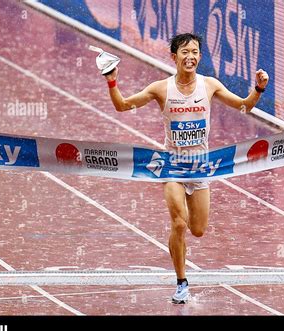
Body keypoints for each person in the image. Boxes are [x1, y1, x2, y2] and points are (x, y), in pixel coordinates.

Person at [104, 33, 269, 304]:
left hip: (201, 169)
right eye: (184, 52)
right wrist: (111, 79)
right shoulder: (161, 89)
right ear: (174, 57)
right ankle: (181, 281)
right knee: (178, 223)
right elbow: (122, 105)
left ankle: (178, 254)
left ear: (200, 57)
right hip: (172, 167)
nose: (190, 57)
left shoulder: (210, 85)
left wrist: (258, 88)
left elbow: (244, 106)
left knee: (198, 229)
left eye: (194, 52)